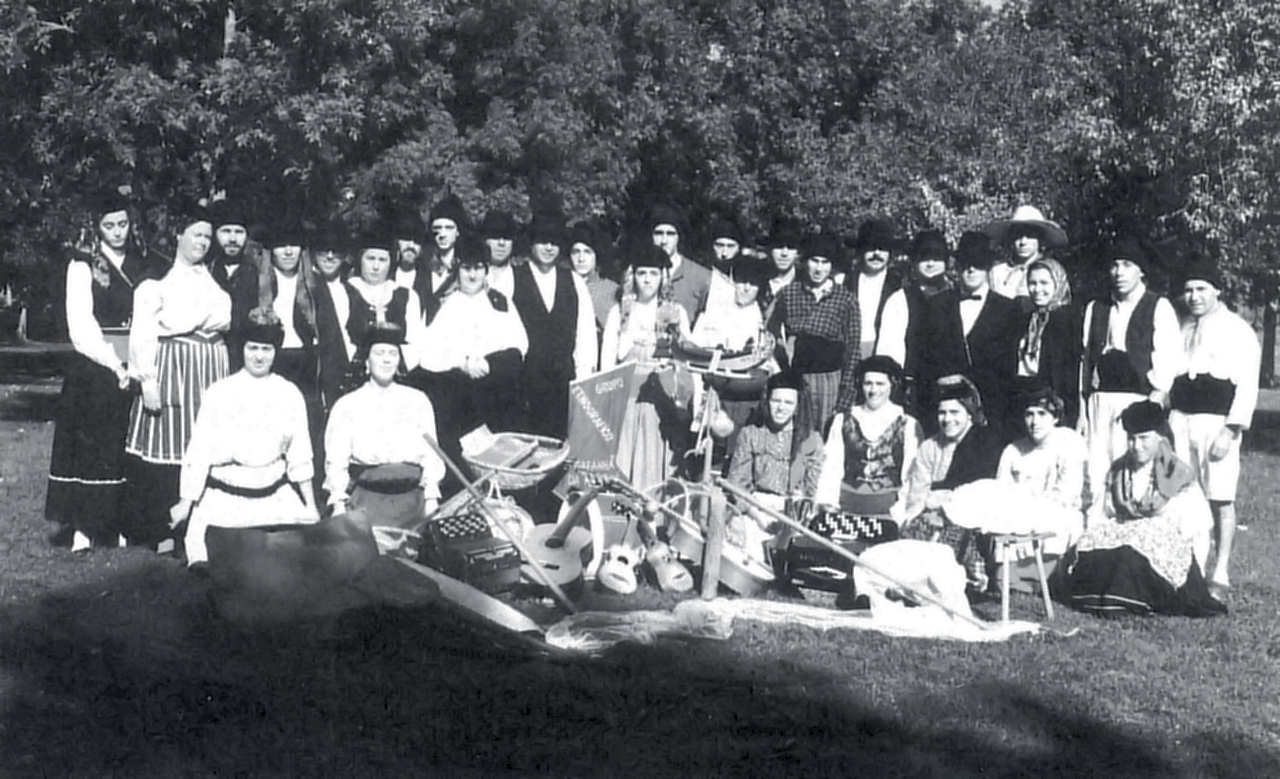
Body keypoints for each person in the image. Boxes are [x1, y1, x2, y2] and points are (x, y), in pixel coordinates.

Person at [46, 187, 152, 550]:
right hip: (94, 365)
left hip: (134, 360)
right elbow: (81, 325)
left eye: (123, 224)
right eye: (110, 226)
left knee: (123, 445)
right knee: (91, 446)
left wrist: (136, 365)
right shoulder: (83, 265)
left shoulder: (140, 264)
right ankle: (84, 527)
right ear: (97, 228)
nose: (118, 232)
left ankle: (118, 522)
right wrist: (114, 364)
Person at [172, 310, 318, 568]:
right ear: (242, 348)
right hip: (225, 501)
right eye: (253, 348)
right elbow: (199, 452)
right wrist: (186, 503)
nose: (259, 356)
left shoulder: (288, 393)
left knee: (288, 569)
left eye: (266, 349)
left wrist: (310, 505)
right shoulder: (219, 392)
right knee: (215, 569)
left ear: (276, 351)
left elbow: (300, 454)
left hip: (274, 499)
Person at [124, 203, 232, 549]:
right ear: (178, 235)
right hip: (176, 366)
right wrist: (147, 380)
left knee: (206, 444)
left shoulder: (211, 278)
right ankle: (164, 529)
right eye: (196, 235)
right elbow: (142, 333)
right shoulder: (157, 282)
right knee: (171, 445)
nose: (202, 242)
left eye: (207, 237)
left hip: (211, 366)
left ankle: (200, 526)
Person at [1055, 401, 1223, 617]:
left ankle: (1128, 597)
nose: (1136, 446)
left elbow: (1197, 531)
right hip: (1123, 540)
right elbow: (1101, 515)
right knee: (1095, 547)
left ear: (1160, 437)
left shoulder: (1177, 473)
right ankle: (1098, 595)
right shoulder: (1119, 471)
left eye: (1144, 438)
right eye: (1131, 439)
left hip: (1165, 549)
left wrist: (1194, 578)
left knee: (1130, 552)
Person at [1167, 256, 1260, 600]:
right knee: (1183, 493)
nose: (1194, 296)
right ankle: (1188, 564)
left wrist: (1230, 430)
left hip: (1216, 422)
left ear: (1217, 290)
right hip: (1181, 420)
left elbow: (1247, 385)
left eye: (1201, 289)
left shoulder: (1237, 330)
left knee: (1220, 497)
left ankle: (1219, 571)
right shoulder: (1181, 327)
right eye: (1189, 290)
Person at [1080, 237, 1182, 508]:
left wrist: (1154, 403)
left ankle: (1130, 520)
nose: (1119, 272)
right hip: (1100, 402)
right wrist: (1083, 407)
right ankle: (1097, 524)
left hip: (1137, 399)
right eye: (1114, 265)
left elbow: (1168, 358)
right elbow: (1086, 360)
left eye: (1127, 265)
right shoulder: (1096, 308)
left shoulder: (1158, 306)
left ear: (1141, 271)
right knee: (1097, 467)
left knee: (1130, 467)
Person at [419, 236, 529, 473]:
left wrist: (490, 364)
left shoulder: (500, 302)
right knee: (466, 466)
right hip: (458, 398)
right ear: (457, 269)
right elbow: (427, 354)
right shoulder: (443, 304)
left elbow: (519, 346)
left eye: (478, 268)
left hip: (496, 393)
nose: (472, 275)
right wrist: (462, 363)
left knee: (501, 462)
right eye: (466, 268)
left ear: (486, 270)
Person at [324, 323, 446, 527]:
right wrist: (338, 505)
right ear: (366, 360)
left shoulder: (418, 401)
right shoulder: (347, 405)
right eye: (379, 353)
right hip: (366, 505)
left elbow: (432, 456)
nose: (387, 359)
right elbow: (336, 462)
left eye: (393, 353)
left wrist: (431, 499)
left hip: (413, 503)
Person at [892, 375, 1006, 589]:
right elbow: (918, 493)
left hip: (970, 519)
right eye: (942, 413)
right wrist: (917, 516)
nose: (947, 419)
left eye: (955, 412)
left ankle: (966, 577)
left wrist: (944, 509)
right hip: (931, 515)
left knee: (952, 537)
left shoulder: (984, 444)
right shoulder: (929, 447)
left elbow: (981, 493)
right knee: (911, 533)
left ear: (969, 415)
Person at [601, 245, 693, 488]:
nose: (647, 280)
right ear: (633, 276)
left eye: (654, 273)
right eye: (642, 273)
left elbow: (686, 359)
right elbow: (607, 360)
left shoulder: (676, 312)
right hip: (626, 398)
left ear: (663, 277)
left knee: (653, 455)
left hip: (660, 401)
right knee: (624, 454)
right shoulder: (620, 311)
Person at [917, 230, 1021, 439]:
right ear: (957, 267)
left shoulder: (1008, 309)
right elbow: (925, 360)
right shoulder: (937, 305)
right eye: (965, 263)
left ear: (988, 267)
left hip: (991, 412)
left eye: (979, 263)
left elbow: (1009, 368)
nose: (971, 269)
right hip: (945, 411)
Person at [510, 211, 599, 438]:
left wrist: (582, 379)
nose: (549, 247)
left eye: (555, 242)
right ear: (532, 242)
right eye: (543, 241)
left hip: (563, 385)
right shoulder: (512, 278)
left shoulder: (574, 281)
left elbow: (585, 336)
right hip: (523, 386)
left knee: (560, 445)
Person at [767, 233, 861, 432]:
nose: (819, 268)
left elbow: (853, 350)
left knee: (824, 436)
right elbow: (770, 334)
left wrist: (846, 394)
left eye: (825, 262)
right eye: (814, 261)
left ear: (832, 265)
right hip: (794, 379)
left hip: (829, 382)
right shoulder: (788, 293)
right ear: (805, 262)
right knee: (794, 434)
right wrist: (781, 368)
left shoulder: (846, 299)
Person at [815, 356, 921, 516]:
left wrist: (901, 514)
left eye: (880, 384)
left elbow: (911, 475)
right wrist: (828, 504)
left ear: (892, 385)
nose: (873, 390)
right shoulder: (843, 420)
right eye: (868, 383)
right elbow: (831, 467)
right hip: (846, 507)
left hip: (889, 510)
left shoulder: (908, 424)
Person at [344, 228, 427, 383]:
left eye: (382, 260)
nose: (376, 266)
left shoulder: (407, 296)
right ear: (360, 259)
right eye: (370, 258)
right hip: (352, 376)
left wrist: (389, 367)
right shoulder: (346, 291)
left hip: (397, 377)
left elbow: (416, 343)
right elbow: (339, 340)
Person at [875, 229, 953, 389]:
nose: (930, 264)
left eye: (937, 258)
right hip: (913, 385)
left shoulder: (958, 297)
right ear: (914, 262)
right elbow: (889, 348)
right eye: (924, 258)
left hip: (952, 386)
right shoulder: (900, 299)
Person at [1015, 258, 1082, 428]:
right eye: (1032, 283)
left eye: (1044, 283)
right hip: (1025, 400)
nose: (1037, 289)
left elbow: (1071, 370)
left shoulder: (1069, 320)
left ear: (1058, 283)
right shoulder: (1026, 319)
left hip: (1055, 403)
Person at [309, 222, 355, 414]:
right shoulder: (306, 288)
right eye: (323, 250)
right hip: (314, 374)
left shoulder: (351, 291)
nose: (329, 256)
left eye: (335, 251)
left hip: (346, 374)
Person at [843, 217, 904, 359]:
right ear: (860, 251)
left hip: (887, 351)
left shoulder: (899, 284)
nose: (876, 254)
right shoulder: (846, 282)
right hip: (849, 350)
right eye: (870, 248)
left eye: (882, 248)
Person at [984, 205, 1069, 300]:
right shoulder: (997, 272)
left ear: (1040, 238)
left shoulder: (1051, 271)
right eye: (1018, 235)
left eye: (1030, 235)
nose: (1023, 242)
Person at [646, 204, 709, 325]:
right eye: (658, 233)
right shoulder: (638, 273)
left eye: (670, 234)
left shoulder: (701, 276)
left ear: (679, 237)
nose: (664, 241)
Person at [567, 221, 619, 335]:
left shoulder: (612, 290)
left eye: (587, 252)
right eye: (576, 252)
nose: (581, 258)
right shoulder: (562, 287)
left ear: (597, 255)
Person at [702, 216, 746, 323]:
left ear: (739, 248)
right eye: (719, 245)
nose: (724, 253)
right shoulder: (703, 275)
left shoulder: (745, 277)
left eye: (730, 246)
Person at [481, 209, 521, 299]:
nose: (501, 243)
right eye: (495, 237)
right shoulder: (473, 274)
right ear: (485, 240)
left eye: (507, 238)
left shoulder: (523, 277)